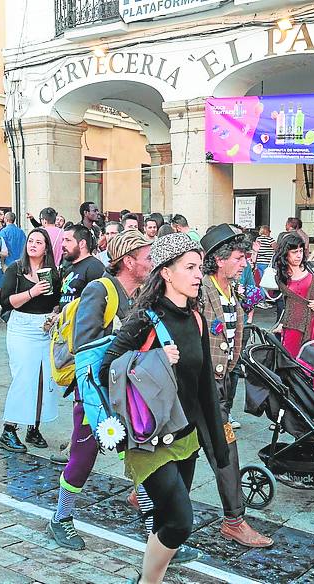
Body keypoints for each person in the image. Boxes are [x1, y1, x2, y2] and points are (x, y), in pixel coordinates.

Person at [98, 233, 230, 584]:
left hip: (185, 437)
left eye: (200, 268)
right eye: (189, 267)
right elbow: (107, 367)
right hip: (147, 439)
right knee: (180, 522)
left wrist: (217, 443)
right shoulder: (145, 318)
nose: (198, 274)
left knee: (164, 517)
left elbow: (204, 386)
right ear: (166, 273)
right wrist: (152, 358)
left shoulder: (197, 319)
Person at [49, 230, 152, 551]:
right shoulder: (101, 291)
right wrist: (98, 406)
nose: (152, 262)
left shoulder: (140, 294)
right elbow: (84, 348)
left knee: (140, 458)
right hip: (95, 393)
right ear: (129, 261)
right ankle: (60, 517)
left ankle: (158, 533)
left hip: (126, 392)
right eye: (147, 257)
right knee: (83, 457)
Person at [197, 225, 273, 548]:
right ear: (219, 260)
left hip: (225, 381)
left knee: (183, 451)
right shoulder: (201, 291)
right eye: (240, 258)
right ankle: (234, 520)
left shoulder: (234, 289)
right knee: (225, 450)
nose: (245, 263)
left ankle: (143, 492)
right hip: (202, 386)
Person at [0, 228, 61, 452]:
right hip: (21, 328)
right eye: (30, 241)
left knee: (44, 380)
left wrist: (55, 312)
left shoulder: (53, 273)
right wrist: (33, 292)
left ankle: (33, 427)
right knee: (24, 378)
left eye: (39, 242)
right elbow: (6, 302)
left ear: (46, 248)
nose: (33, 245)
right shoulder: (15, 269)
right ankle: (9, 429)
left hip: (45, 328)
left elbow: (56, 301)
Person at [273, 233, 314, 356]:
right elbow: (288, 303)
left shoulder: (313, 268)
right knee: (290, 360)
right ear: (286, 253)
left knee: (313, 361)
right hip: (293, 324)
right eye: (294, 252)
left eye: (300, 251)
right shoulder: (281, 276)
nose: (298, 255)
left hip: (313, 322)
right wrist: (282, 323)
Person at [58, 224, 106, 308]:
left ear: (82, 243)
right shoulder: (69, 269)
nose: (63, 244)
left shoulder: (94, 267)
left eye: (68, 240)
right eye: (63, 240)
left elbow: (98, 303)